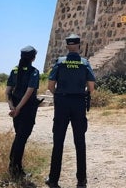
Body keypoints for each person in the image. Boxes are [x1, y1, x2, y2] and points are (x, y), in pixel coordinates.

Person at [46, 34, 96, 188]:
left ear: (67, 46)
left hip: (62, 103)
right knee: (80, 142)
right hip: (79, 103)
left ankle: (53, 180)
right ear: (79, 46)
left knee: (58, 142)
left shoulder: (60, 62)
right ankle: (81, 180)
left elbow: (50, 85)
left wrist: (59, 95)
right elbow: (91, 87)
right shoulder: (84, 63)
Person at [5, 45, 41, 180]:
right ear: (33, 58)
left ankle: (15, 167)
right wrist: (18, 108)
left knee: (19, 136)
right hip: (27, 109)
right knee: (21, 138)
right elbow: (29, 93)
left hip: (15, 109)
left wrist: (12, 107)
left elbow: (8, 91)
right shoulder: (34, 72)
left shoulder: (14, 70)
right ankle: (15, 170)